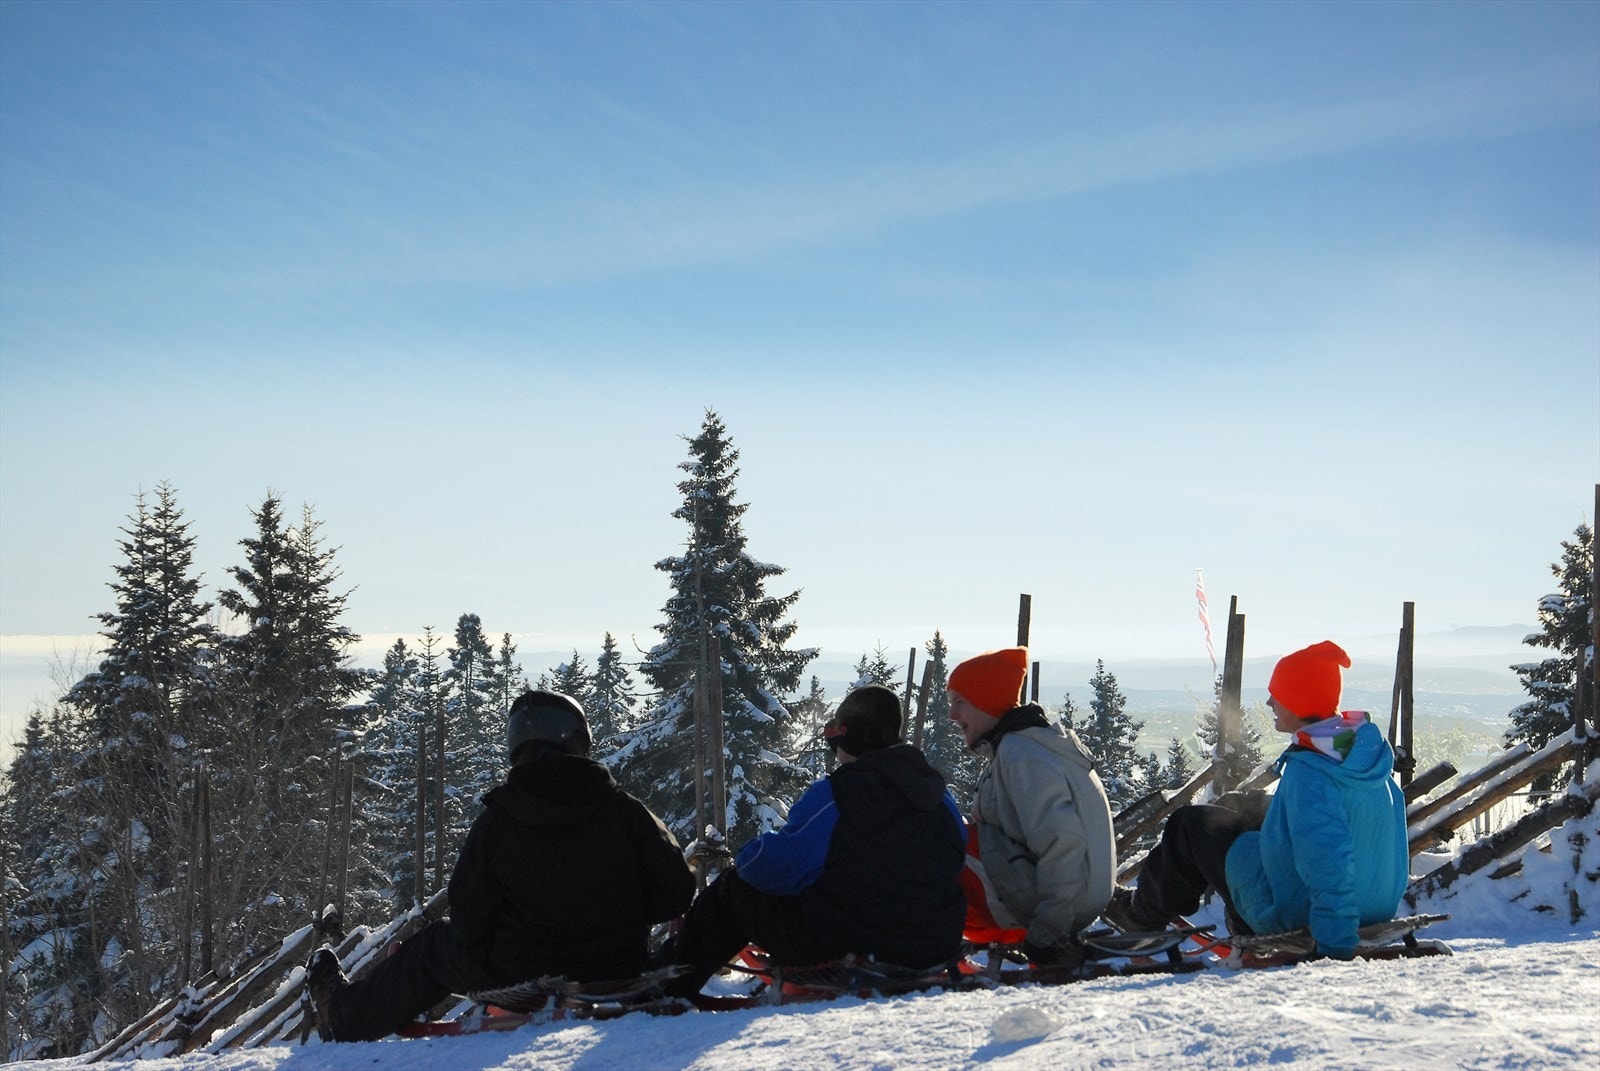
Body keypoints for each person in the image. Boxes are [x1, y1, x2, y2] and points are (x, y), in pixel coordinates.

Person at [306, 689, 696, 1041]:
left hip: (520, 973)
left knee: (430, 948)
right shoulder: (626, 811)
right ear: (579, 741)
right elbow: (675, 893)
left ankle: (343, 1018)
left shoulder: (501, 818)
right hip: (616, 966)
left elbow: (469, 915)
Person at [1105, 640, 1409, 960]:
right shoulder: (1360, 756)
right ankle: (1229, 920)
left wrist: (1336, 941)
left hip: (1306, 911)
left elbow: (1326, 855)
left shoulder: (1311, 774)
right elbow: (1344, 824)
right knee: (1238, 811)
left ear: (1298, 702)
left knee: (1190, 825)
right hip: (1375, 904)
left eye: (1277, 695)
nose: (1269, 702)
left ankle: (1140, 921)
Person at [658, 684, 966, 996]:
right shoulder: (940, 796)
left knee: (732, 889)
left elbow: (771, 866)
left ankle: (666, 986)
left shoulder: (837, 795)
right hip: (935, 943)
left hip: (852, 941)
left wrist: (749, 853)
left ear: (850, 736)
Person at [948, 646, 1117, 964]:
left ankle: (914, 948)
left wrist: (1047, 933)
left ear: (985, 702)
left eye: (960, 703)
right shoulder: (1020, 745)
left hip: (1055, 909)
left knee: (936, 842)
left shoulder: (1023, 755)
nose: (952, 715)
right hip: (1057, 901)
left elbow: (1062, 843)